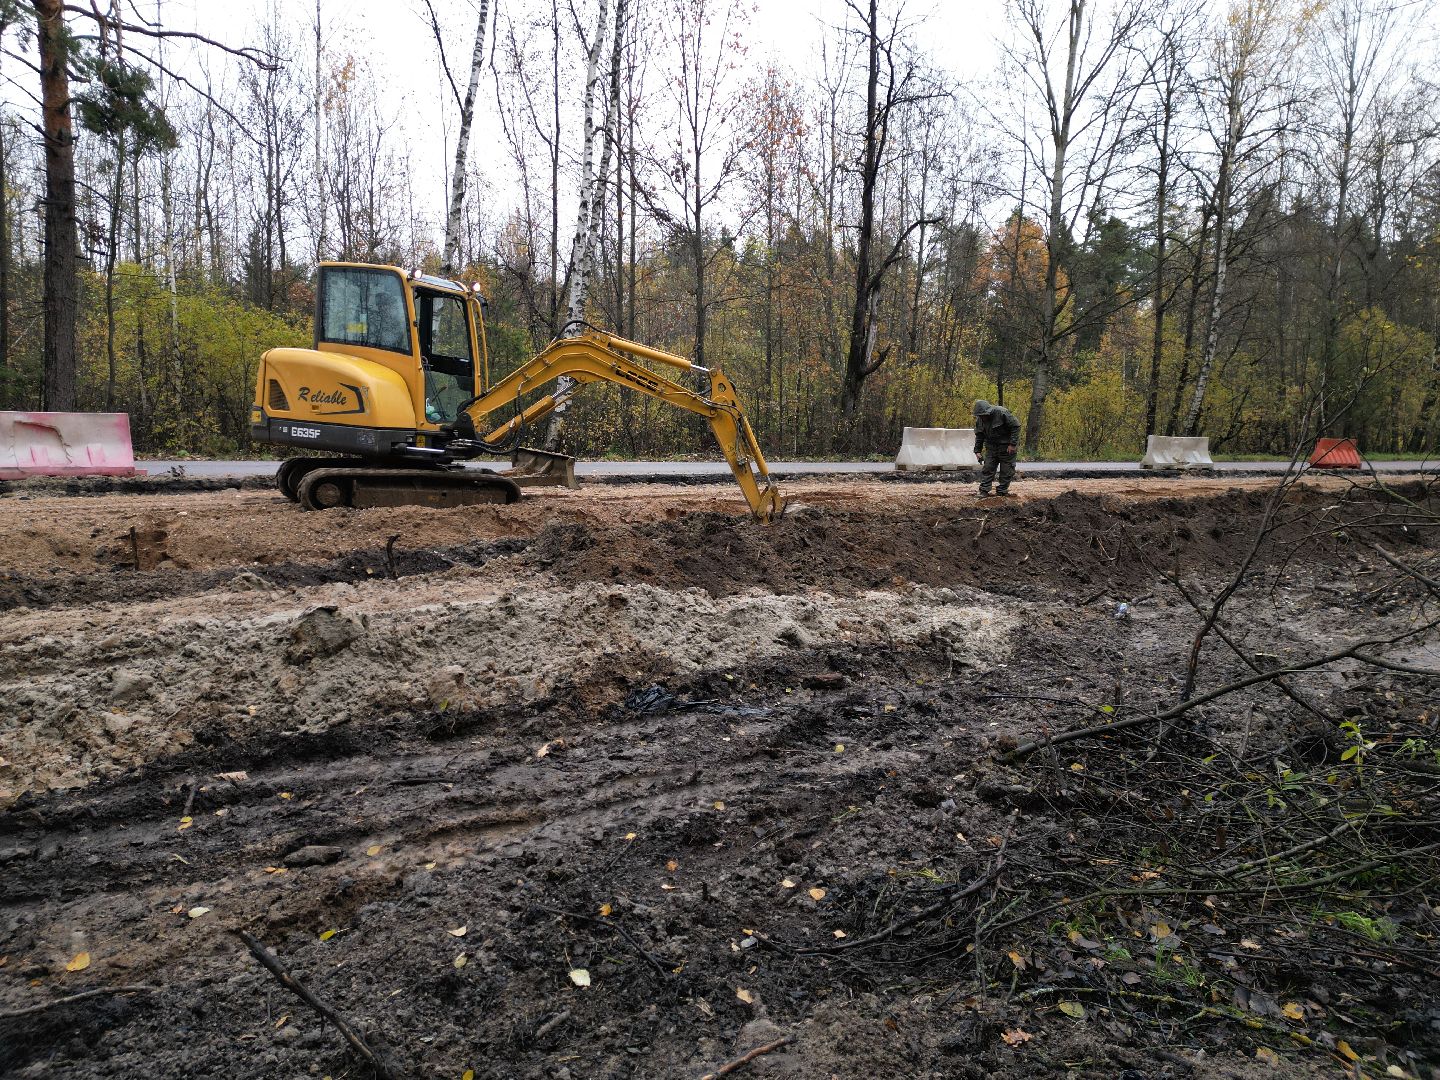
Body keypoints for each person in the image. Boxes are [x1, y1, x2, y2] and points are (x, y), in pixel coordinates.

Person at [972, 399, 1021, 497]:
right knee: (988, 468)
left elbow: (1016, 426)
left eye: (984, 415)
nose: (983, 417)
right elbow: (979, 435)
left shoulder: (1001, 412)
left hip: (1006, 447)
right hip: (991, 447)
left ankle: (1002, 491)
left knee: (1007, 470)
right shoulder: (980, 421)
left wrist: (1012, 444)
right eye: (980, 415)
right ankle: (984, 490)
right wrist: (977, 451)